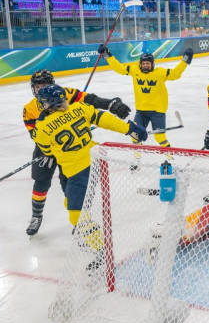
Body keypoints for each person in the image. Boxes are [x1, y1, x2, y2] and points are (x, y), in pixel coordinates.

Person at [31, 84, 146, 254]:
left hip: (78, 171)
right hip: (93, 160)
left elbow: (47, 151)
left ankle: (102, 251)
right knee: (69, 199)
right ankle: (86, 234)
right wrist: (129, 128)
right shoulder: (80, 107)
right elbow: (105, 119)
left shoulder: (41, 128)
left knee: (76, 214)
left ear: (47, 105)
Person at [22, 70, 131, 235]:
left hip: (72, 147)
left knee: (70, 185)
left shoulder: (64, 93)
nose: (41, 88)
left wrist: (111, 104)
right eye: (38, 86)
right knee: (41, 181)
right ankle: (36, 216)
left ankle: (80, 219)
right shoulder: (29, 109)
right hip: (47, 146)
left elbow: (91, 99)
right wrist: (48, 153)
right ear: (33, 88)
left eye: (45, 84)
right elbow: (35, 135)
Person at [98, 44, 193, 150]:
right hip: (141, 111)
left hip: (157, 111)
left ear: (152, 64)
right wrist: (108, 55)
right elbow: (119, 68)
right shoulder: (135, 70)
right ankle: (137, 161)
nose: (145, 65)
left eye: (147, 63)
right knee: (135, 135)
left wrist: (184, 60)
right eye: (143, 64)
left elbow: (175, 74)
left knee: (160, 138)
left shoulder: (160, 73)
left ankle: (170, 158)